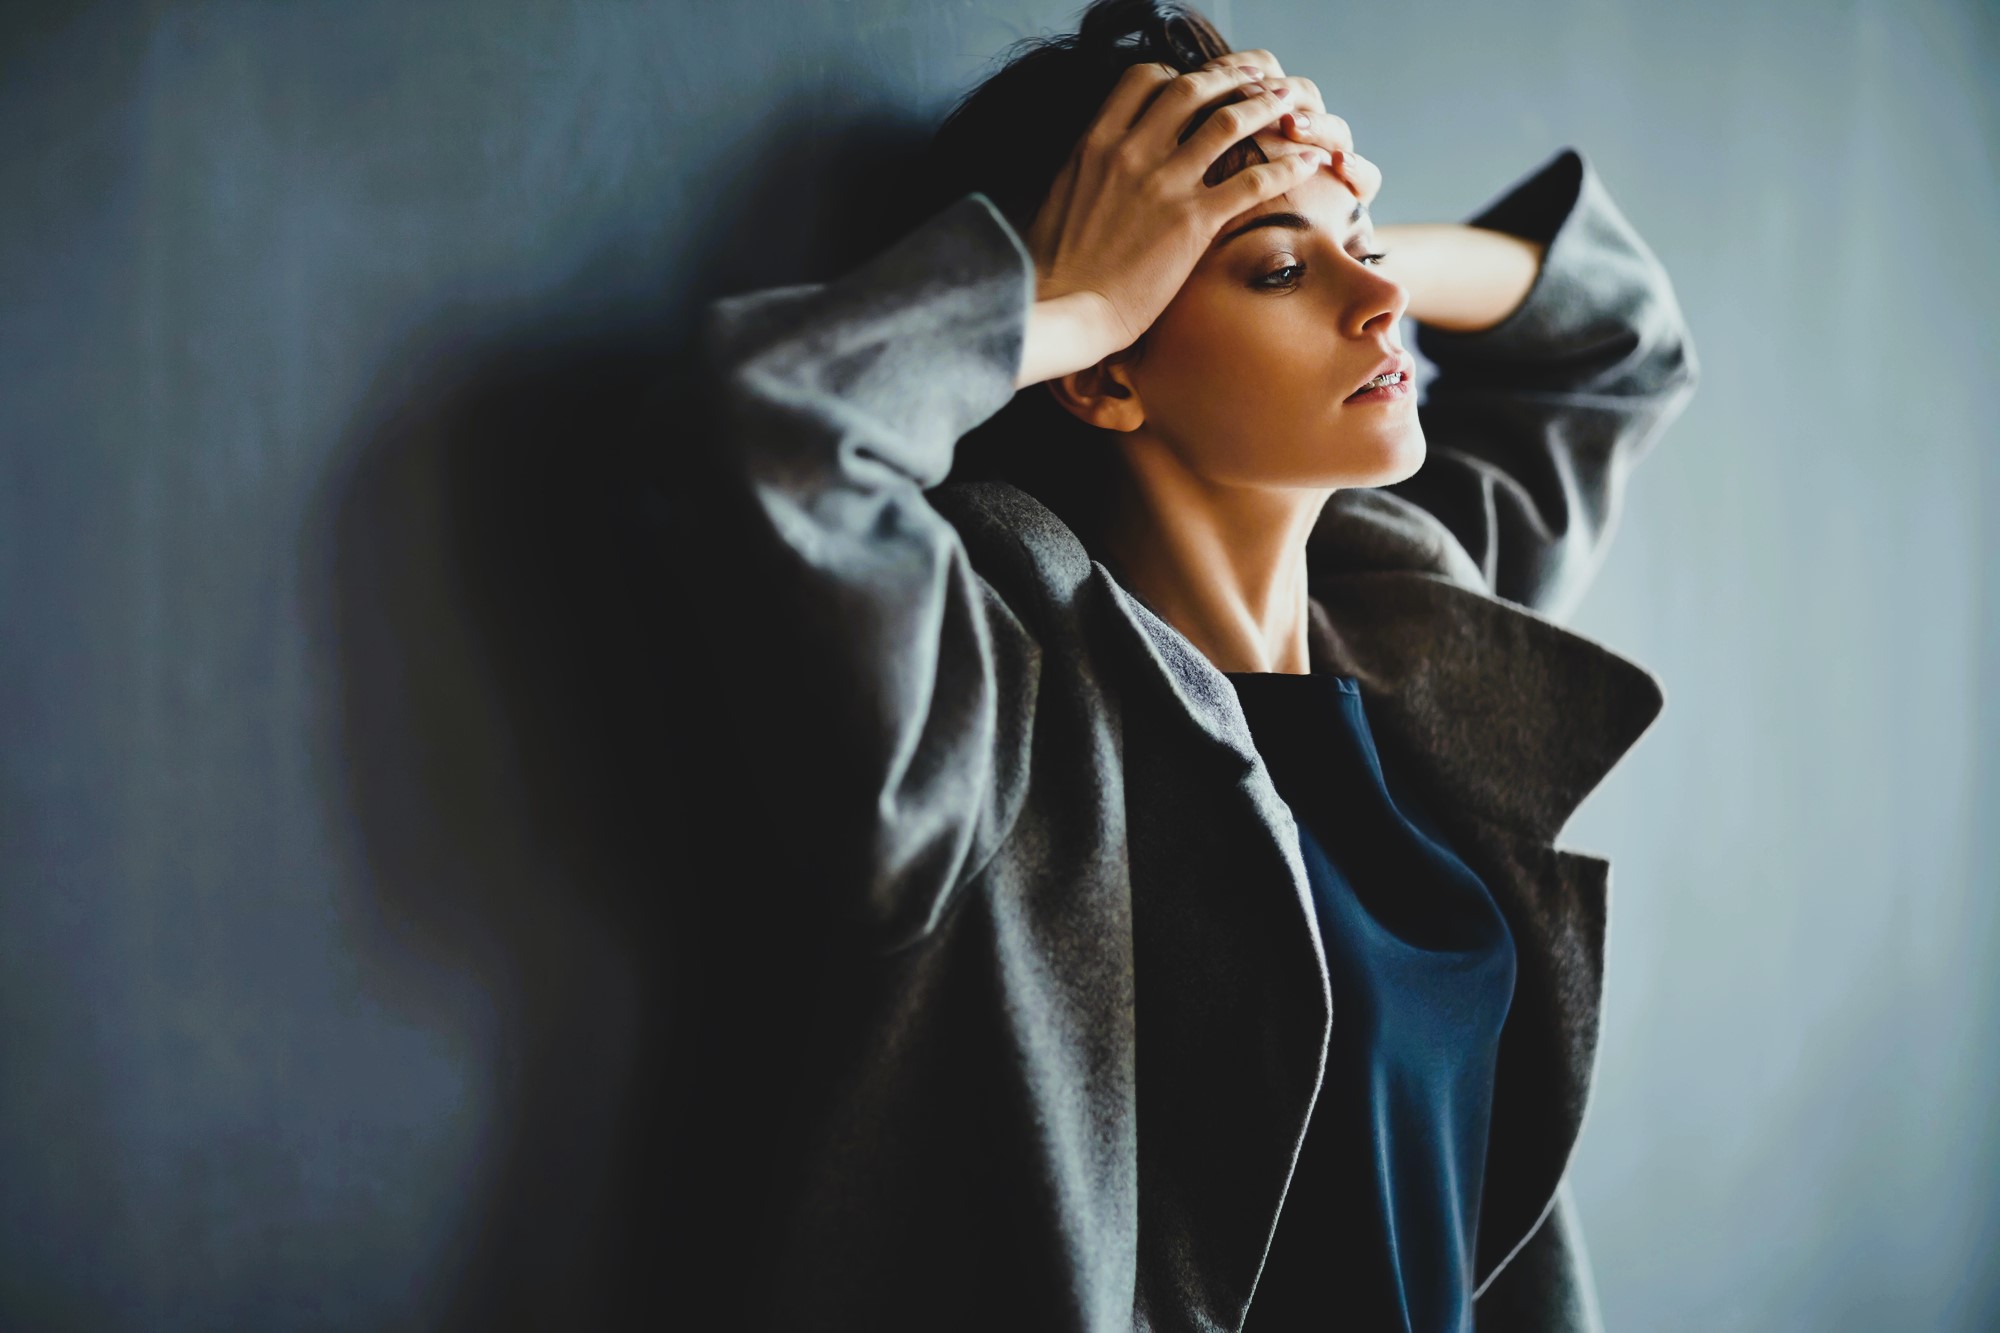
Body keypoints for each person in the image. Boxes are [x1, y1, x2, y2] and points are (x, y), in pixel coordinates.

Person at [653, 1, 1699, 1329]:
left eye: (1359, 253)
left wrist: (1307, 195)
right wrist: (1068, 292)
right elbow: (780, 430)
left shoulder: (1412, 629)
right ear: (1101, 371)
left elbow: (1616, 343)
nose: (1383, 303)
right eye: (1275, 273)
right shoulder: (994, 707)